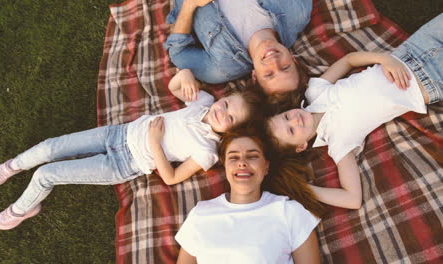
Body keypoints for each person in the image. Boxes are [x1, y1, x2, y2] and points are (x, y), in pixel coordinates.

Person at [0, 69, 264, 230]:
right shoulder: (203, 102)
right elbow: (174, 85)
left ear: (232, 130)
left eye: (230, 118)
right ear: (224, 97)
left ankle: (21, 210)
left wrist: (155, 143)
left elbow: (171, 178)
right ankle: (14, 165)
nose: (221, 112)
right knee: (50, 146)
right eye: (226, 104)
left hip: (124, 164)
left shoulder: (208, 151)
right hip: (118, 133)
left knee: (47, 174)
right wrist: (186, 74)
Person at [265, 14, 442, 209]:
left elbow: (349, 60)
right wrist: (304, 190)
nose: (295, 120)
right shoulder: (338, 142)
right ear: (301, 146)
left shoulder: (314, 92)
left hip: (409, 51)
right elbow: (352, 199)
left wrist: (383, 59)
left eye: (286, 117)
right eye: (291, 131)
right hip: (430, 81)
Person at [175, 128, 322, 264]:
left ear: (266, 167)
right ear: (225, 166)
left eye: (252, 156)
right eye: (233, 157)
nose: (242, 163)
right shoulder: (200, 214)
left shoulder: (289, 212)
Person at [164, 0, 312, 94]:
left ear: (255, 77)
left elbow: (178, 53)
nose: (274, 62)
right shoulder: (297, 13)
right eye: (285, 67)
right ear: (294, 60)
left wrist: (189, 5)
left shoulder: (221, 68)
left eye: (269, 74)